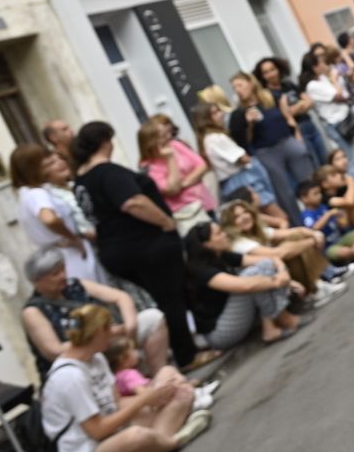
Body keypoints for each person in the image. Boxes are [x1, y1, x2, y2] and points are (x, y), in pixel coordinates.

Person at [72, 121, 211, 369]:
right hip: (144, 245)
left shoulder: (82, 180)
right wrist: (165, 221)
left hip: (115, 248)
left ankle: (180, 343)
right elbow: (132, 203)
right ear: (106, 141)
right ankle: (187, 355)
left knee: (162, 298)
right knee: (171, 297)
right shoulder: (108, 172)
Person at [39, 303, 207, 452]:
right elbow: (98, 430)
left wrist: (154, 397)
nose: (113, 333)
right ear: (97, 333)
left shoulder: (97, 359)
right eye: (108, 329)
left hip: (117, 427)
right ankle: (173, 441)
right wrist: (143, 400)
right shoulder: (69, 377)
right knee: (136, 436)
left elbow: (116, 403)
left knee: (178, 390)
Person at [20, 246, 171, 377]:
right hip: (82, 357)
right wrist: (101, 336)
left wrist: (129, 325)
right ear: (37, 281)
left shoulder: (76, 285)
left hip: (110, 338)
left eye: (63, 269)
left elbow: (121, 297)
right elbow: (54, 351)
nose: (63, 276)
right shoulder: (33, 311)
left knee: (152, 319)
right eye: (55, 274)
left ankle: (159, 376)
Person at [183, 222, 306, 348]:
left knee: (264, 266)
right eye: (219, 234)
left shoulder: (221, 255)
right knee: (251, 276)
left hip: (239, 314)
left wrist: (284, 274)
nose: (225, 234)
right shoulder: (200, 270)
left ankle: (271, 326)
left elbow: (269, 260)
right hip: (220, 331)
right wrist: (278, 281)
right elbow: (245, 286)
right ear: (206, 245)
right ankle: (282, 320)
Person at [217, 199, 342, 308]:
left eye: (245, 212)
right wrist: (312, 240)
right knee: (291, 247)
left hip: (279, 273)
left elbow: (293, 231)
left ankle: (320, 283)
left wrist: (314, 234)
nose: (244, 217)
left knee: (295, 239)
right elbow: (276, 254)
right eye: (237, 217)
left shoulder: (258, 231)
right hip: (268, 283)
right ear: (231, 225)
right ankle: (317, 288)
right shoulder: (239, 243)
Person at [228, 71, 316, 222]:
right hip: (266, 151)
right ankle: (299, 224)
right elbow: (244, 143)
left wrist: (298, 139)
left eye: (240, 85)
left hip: (287, 141)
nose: (238, 90)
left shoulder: (270, 98)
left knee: (309, 181)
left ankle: (321, 213)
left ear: (251, 83)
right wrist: (249, 124)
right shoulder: (238, 114)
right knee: (284, 193)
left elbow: (287, 116)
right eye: (234, 87)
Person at [11, 142, 101, 282]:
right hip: (69, 252)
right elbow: (49, 219)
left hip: (61, 252)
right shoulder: (37, 193)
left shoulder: (26, 193)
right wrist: (73, 238)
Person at [191, 101, 287, 223]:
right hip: (241, 181)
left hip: (233, 183)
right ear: (205, 119)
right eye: (214, 113)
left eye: (218, 110)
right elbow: (241, 157)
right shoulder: (216, 138)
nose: (220, 114)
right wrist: (251, 161)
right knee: (279, 218)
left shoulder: (208, 139)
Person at [137, 120, 215, 229]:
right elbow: (172, 189)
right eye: (163, 136)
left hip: (204, 202)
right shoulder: (148, 167)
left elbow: (201, 165)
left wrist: (183, 184)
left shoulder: (176, 145)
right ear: (151, 142)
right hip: (187, 214)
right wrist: (170, 158)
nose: (169, 137)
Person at [295, 181, 354, 264]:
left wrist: (342, 220)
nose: (320, 196)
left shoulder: (323, 207)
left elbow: (340, 224)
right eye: (315, 194)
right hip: (329, 247)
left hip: (341, 238)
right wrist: (329, 214)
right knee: (345, 252)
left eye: (319, 193)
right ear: (304, 198)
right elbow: (314, 228)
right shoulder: (307, 215)